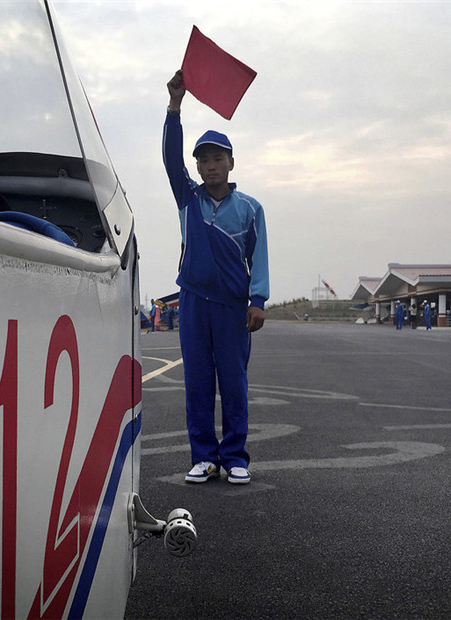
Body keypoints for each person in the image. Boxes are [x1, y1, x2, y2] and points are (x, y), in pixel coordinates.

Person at [163, 70, 269, 485]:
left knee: (234, 383)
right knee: (198, 383)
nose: (210, 166)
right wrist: (174, 107)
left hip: (231, 308)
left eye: (217, 158)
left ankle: (235, 456)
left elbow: (258, 256)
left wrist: (257, 300)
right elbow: (171, 159)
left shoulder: (249, 208)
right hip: (192, 302)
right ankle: (204, 457)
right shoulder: (188, 198)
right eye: (203, 160)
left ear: (230, 162)